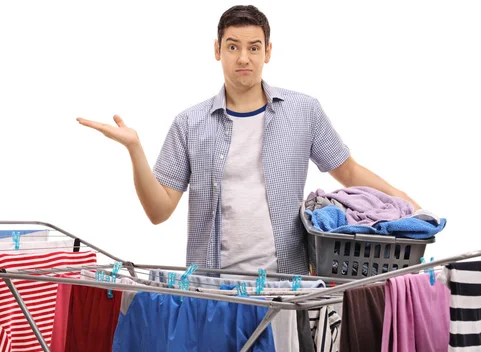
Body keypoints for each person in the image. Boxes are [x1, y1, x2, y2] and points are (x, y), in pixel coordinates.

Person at [76, 5, 421, 277]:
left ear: (267, 52)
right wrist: (135, 149)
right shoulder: (189, 123)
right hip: (213, 288)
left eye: (254, 47)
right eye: (233, 46)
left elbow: (348, 171)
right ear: (217, 50)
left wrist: (408, 203)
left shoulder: (303, 111)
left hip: (287, 286)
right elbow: (158, 211)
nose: (244, 57)